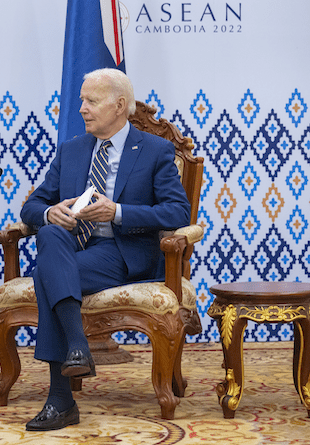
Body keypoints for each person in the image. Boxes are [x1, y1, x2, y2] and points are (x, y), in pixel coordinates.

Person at [20, 68, 190, 431]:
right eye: (82, 99)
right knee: (50, 235)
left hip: (123, 252)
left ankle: (60, 399)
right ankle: (77, 346)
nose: (81, 108)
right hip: (73, 249)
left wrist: (119, 212)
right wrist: (53, 211)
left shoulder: (155, 150)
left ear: (119, 105)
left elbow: (178, 211)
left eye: (91, 101)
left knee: (45, 275)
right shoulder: (71, 150)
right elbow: (32, 207)